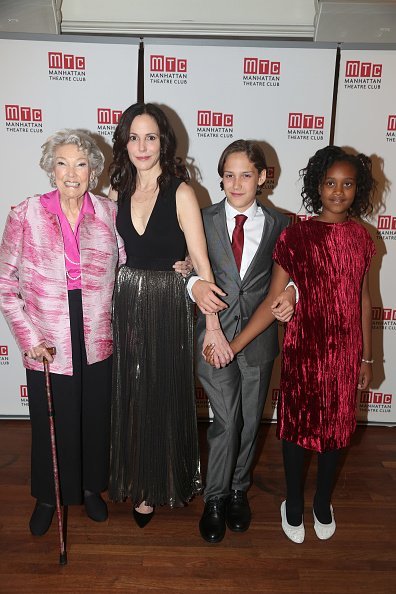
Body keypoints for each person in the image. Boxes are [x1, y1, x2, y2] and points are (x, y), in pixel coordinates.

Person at [206, 145, 376, 543]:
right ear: (317, 185)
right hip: (304, 350)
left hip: (347, 352)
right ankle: (294, 503)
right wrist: (235, 342)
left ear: (359, 189)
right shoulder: (297, 235)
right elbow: (273, 299)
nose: (338, 191)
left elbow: (364, 298)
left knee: (337, 429)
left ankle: (321, 502)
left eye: (347, 184)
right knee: (297, 428)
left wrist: (368, 356)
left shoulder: (362, 238)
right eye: (330, 183)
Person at [107, 102, 232, 527]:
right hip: (123, 303)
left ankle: (164, 479)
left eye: (151, 137)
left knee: (162, 392)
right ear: (125, 142)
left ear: (164, 142)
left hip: (168, 304)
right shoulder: (114, 191)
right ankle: (139, 484)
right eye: (134, 137)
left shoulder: (181, 191)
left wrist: (212, 326)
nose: (142, 146)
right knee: (131, 394)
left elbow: (201, 263)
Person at [0, 129, 126, 536]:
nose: (72, 172)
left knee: (93, 416)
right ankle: (48, 496)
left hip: (96, 330)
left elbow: (126, 265)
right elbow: (5, 284)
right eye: (62, 163)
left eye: (81, 163)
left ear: (94, 169)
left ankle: (91, 489)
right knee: (51, 420)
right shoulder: (26, 213)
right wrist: (27, 337)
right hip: (46, 334)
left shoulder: (109, 212)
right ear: (50, 169)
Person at [190, 139, 296, 543]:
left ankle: (238, 490)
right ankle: (214, 498)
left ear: (263, 177)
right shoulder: (201, 218)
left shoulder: (281, 225)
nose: (236, 183)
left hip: (259, 339)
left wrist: (292, 294)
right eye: (228, 175)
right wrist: (194, 285)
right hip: (211, 337)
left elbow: (291, 277)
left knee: (250, 420)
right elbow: (184, 268)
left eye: (246, 174)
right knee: (226, 420)